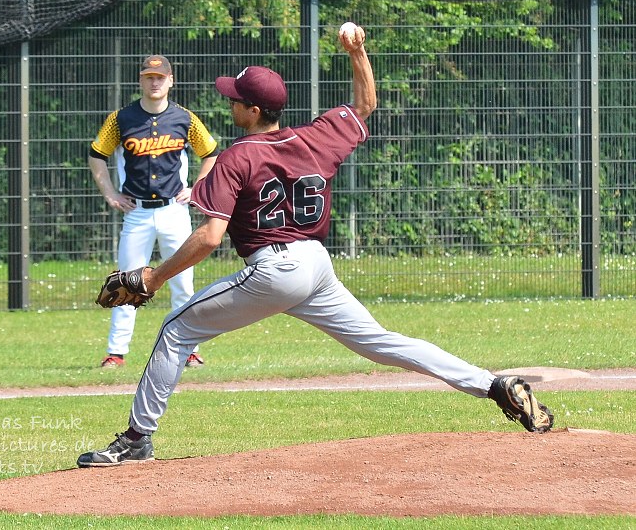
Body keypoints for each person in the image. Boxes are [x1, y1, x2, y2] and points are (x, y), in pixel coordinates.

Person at [77, 24, 554, 467]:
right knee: (384, 343)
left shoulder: (236, 158)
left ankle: (138, 440)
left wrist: (151, 277)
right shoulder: (316, 138)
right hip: (316, 264)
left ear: (254, 111)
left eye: (237, 99)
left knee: (176, 331)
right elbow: (366, 104)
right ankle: (494, 386)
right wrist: (358, 52)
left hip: (273, 270)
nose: (231, 104)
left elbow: (209, 236)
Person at [88, 54, 220, 368]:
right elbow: (96, 155)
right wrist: (109, 192)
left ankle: (189, 349)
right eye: (149, 77)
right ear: (141, 81)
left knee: (183, 284)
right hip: (138, 212)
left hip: (174, 210)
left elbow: (211, 152)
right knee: (127, 283)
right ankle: (116, 353)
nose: (155, 82)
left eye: (160, 77)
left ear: (171, 81)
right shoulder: (121, 119)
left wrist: (197, 188)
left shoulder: (184, 118)